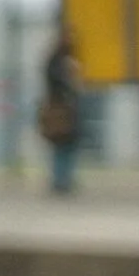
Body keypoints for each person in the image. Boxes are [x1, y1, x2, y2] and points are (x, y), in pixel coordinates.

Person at [39, 29, 84, 196]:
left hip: (67, 108)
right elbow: (59, 82)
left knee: (66, 145)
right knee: (61, 145)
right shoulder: (58, 62)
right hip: (60, 108)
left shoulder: (61, 60)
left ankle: (64, 178)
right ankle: (60, 180)